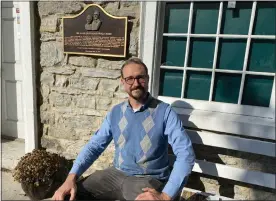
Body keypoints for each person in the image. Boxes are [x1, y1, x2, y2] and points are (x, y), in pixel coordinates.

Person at [52, 58, 195, 201]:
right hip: (115, 174)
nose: (136, 83)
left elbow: (185, 154)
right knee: (70, 195)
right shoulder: (115, 113)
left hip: (147, 180)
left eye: (140, 78)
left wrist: (165, 196)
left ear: (148, 78)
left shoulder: (165, 112)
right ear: (122, 82)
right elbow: (94, 146)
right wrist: (70, 178)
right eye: (130, 79)